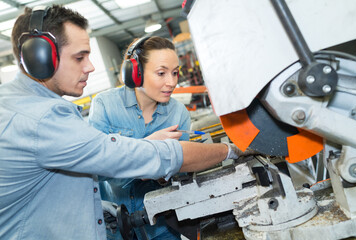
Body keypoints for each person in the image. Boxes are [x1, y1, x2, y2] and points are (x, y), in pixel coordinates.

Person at [0, 5, 244, 240]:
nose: (91, 66)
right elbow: (118, 158)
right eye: (79, 57)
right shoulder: (43, 119)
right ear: (38, 56)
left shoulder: (13, 103)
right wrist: (231, 150)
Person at [88, 36, 191, 239]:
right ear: (135, 73)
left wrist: (164, 175)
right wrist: (147, 148)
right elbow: (94, 170)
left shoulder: (179, 114)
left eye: (175, 73)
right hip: (115, 227)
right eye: (161, 73)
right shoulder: (105, 106)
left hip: (162, 227)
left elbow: (182, 172)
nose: (171, 82)